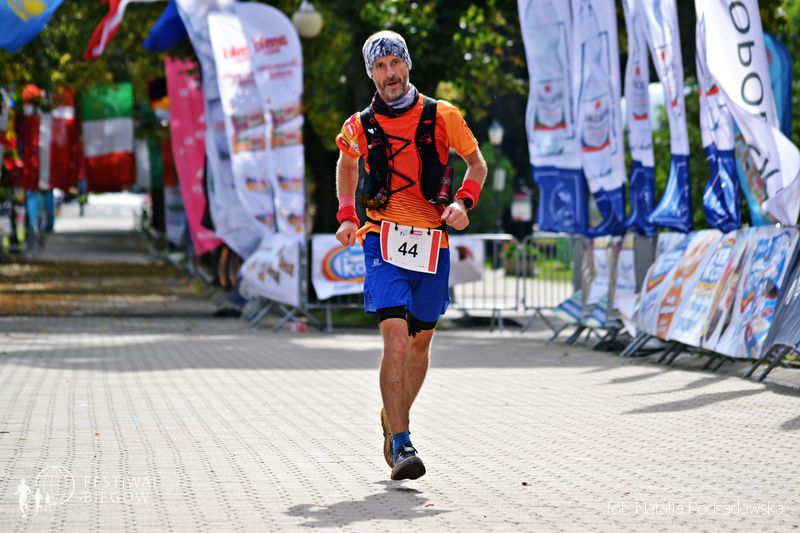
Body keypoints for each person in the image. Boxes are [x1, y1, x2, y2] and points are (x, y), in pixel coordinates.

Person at [334, 31, 487, 480]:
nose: (390, 74)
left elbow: (477, 164)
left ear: (407, 65)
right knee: (396, 339)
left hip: (432, 242)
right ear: (371, 74)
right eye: (380, 67)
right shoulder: (359, 125)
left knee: (420, 343)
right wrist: (346, 214)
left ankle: (392, 416)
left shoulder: (443, 115)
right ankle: (402, 442)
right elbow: (346, 163)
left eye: (395, 63)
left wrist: (464, 203)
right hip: (382, 239)